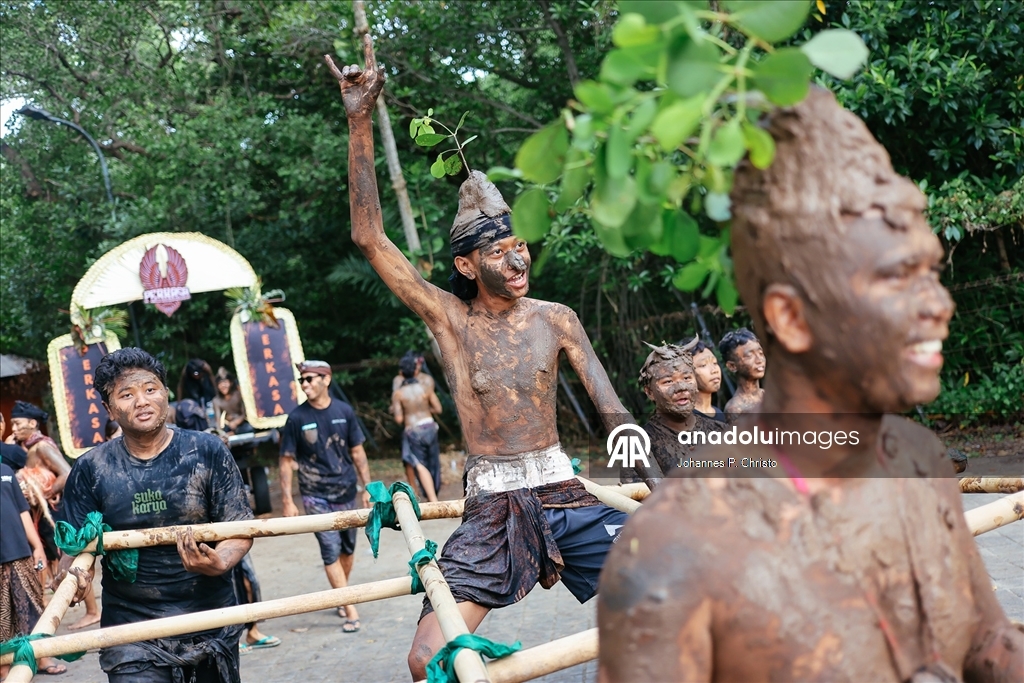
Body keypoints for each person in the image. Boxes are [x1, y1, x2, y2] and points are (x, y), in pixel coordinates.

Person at [598, 88, 1023, 682]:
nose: (939, 304)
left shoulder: (917, 459)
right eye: (897, 278)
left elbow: (985, 640)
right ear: (792, 319)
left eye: (930, 271)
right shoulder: (677, 544)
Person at [327, 39, 662, 679]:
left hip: (565, 493)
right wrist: (360, 121)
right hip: (493, 503)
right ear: (466, 264)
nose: (517, 262)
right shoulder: (450, 319)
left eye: (521, 248)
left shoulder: (556, 317)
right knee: (429, 658)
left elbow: (615, 414)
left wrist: (658, 480)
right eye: (500, 253)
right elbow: (368, 237)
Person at [56, 347, 253, 683]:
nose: (142, 401)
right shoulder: (92, 468)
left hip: (208, 619)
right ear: (109, 408)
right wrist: (72, 576)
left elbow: (240, 526)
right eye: (127, 394)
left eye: (150, 389)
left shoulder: (206, 450)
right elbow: (73, 547)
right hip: (132, 629)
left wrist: (219, 561)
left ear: (166, 393)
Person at [279, 360, 371, 634]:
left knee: (347, 550)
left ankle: (340, 595)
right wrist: (287, 500)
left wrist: (368, 487)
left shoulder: (345, 412)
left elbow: (358, 452)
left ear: (326, 380)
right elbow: (285, 461)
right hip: (314, 494)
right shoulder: (296, 418)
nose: (305, 384)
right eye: (302, 381)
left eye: (309, 379)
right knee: (330, 550)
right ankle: (350, 607)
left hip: (345, 491)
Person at [622, 341, 726, 481]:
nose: (681, 387)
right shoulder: (640, 444)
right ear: (649, 392)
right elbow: (634, 497)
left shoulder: (722, 431)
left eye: (687, 378)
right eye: (668, 381)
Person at [1, 461, 66, 677]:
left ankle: (40, 657)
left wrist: (37, 545)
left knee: (30, 606)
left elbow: (22, 511)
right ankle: (3, 666)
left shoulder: (5, 471)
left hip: (19, 550)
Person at [392, 354, 443, 502]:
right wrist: (425, 410)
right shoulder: (425, 388)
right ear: (415, 371)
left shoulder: (398, 394)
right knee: (433, 461)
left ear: (401, 373)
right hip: (430, 426)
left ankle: (433, 500)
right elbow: (438, 408)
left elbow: (399, 418)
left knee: (420, 464)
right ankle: (433, 494)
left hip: (414, 430)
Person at [718, 327, 765, 416]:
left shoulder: (767, 395)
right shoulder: (735, 409)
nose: (759, 360)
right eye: (749, 356)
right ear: (732, 366)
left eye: (760, 353)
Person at [690, 340, 726, 422]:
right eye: (703, 365)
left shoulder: (720, 414)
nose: (714, 370)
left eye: (714, 363)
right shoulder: (686, 420)